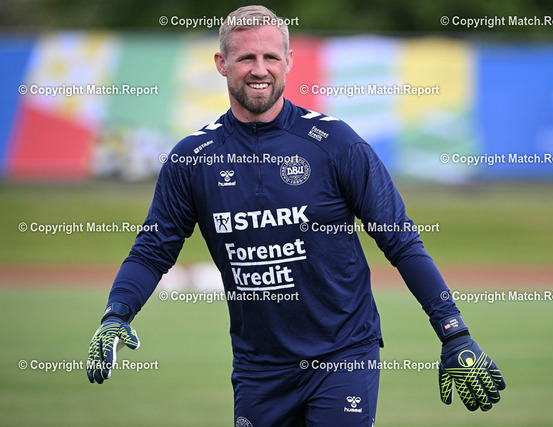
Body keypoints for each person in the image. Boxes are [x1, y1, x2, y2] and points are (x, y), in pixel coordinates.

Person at [86, 5, 506, 426]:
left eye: (270, 57)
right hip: (258, 369)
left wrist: (454, 333)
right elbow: (152, 251)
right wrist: (116, 314)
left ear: (288, 61)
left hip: (343, 356)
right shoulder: (192, 159)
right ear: (221, 63)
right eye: (246, 58)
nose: (259, 69)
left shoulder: (336, 143)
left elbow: (401, 241)